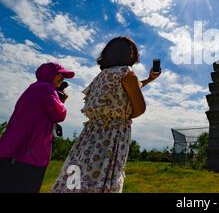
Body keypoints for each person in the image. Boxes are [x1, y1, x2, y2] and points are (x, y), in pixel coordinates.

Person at [51, 36, 160, 193]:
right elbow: (140, 108)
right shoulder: (126, 73)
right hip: (111, 136)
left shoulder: (100, 77)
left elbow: (129, 88)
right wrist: (123, 116)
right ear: (131, 54)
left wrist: (149, 79)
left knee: (78, 178)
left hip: (89, 136)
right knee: (104, 177)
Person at [0, 62, 74, 193]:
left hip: (12, 149)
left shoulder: (32, 88)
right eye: (59, 74)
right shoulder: (47, 89)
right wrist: (62, 102)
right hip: (32, 153)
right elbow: (59, 115)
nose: (62, 78)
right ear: (49, 74)